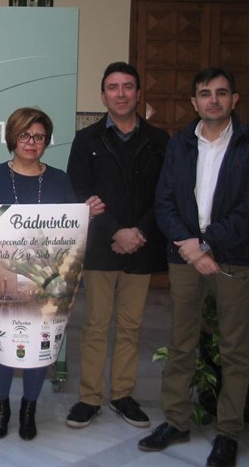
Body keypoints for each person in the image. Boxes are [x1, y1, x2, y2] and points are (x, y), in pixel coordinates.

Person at [139, 68, 249, 467]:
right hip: (185, 255)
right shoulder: (180, 144)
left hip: (232, 256)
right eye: (204, 94)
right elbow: (163, 199)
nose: (212, 100)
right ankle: (177, 422)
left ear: (235, 100)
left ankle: (228, 432)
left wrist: (207, 243)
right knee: (182, 343)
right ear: (194, 103)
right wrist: (191, 246)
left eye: (220, 93)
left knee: (234, 348)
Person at [0, 107, 104, 442]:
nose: (31, 142)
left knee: (40, 347)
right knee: (1, 346)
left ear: (46, 142)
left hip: (47, 285)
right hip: (3, 283)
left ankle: (29, 409)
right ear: (12, 137)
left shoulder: (58, 179)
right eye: (25, 135)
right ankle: (1, 408)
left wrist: (88, 217)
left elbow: (72, 234)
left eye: (39, 136)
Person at [65, 62, 169, 429]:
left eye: (128, 87)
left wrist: (137, 231)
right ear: (103, 94)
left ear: (139, 94)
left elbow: (165, 196)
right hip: (101, 247)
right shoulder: (87, 140)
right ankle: (89, 397)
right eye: (113, 87)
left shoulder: (159, 141)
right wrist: (115, 231)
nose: (121, 94)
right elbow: (81, 193)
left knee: (130, 325)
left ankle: (123, 395)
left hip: (142, 247)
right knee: (94, 325)